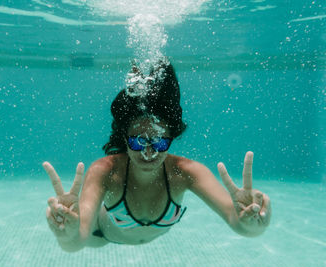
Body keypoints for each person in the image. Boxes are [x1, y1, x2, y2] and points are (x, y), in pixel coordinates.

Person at [43, 58, 271, 252]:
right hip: (101, 236)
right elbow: (77, 241)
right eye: (138, 140)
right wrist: (67, 235)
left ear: (172, 138)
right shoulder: (106, 171)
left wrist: (253, 225)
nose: (148, 152)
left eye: (159, 142)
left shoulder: (186, 172)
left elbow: (238, 222)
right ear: (124, 137)